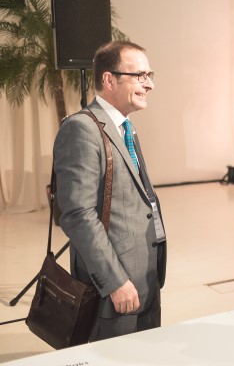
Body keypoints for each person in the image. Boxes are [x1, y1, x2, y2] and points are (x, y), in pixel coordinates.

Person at [54, 40, 167, 341]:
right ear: (109, 79)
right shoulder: (81, 129)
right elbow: (77, 214)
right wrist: (115, 281)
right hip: (114, 287)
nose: (149, 84)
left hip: (145, 277)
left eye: (149, 75)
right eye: (140, 75)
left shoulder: (125, 127)